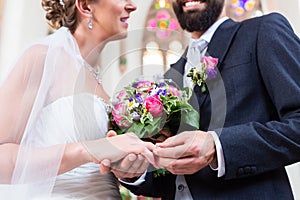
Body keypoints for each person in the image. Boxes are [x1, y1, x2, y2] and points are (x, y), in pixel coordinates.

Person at [101, 0, 300, 199]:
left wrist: (217, 147)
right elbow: (169, 178)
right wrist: (135, 173)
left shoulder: (262, 31)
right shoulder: (171, 76)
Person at [0, 0, 155, 199]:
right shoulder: (42, 58)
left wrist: (127, 166)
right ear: (86, 7)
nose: (132, 5)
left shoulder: (96, 78)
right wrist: (88, 150)